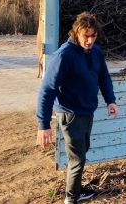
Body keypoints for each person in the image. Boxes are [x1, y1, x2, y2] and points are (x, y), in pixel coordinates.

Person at [36, 12, 119, 204]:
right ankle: (71, 199)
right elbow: (47, 89)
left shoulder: (95, 52)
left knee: (82, 152)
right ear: (76, 33)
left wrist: (110, 100)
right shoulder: (64, 55)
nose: (89, 40)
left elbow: (103, 77)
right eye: (85, 36)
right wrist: (43, 124)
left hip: (87, 111)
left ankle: (75, 190)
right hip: (70, 114)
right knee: (77, 159)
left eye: (93, 36)